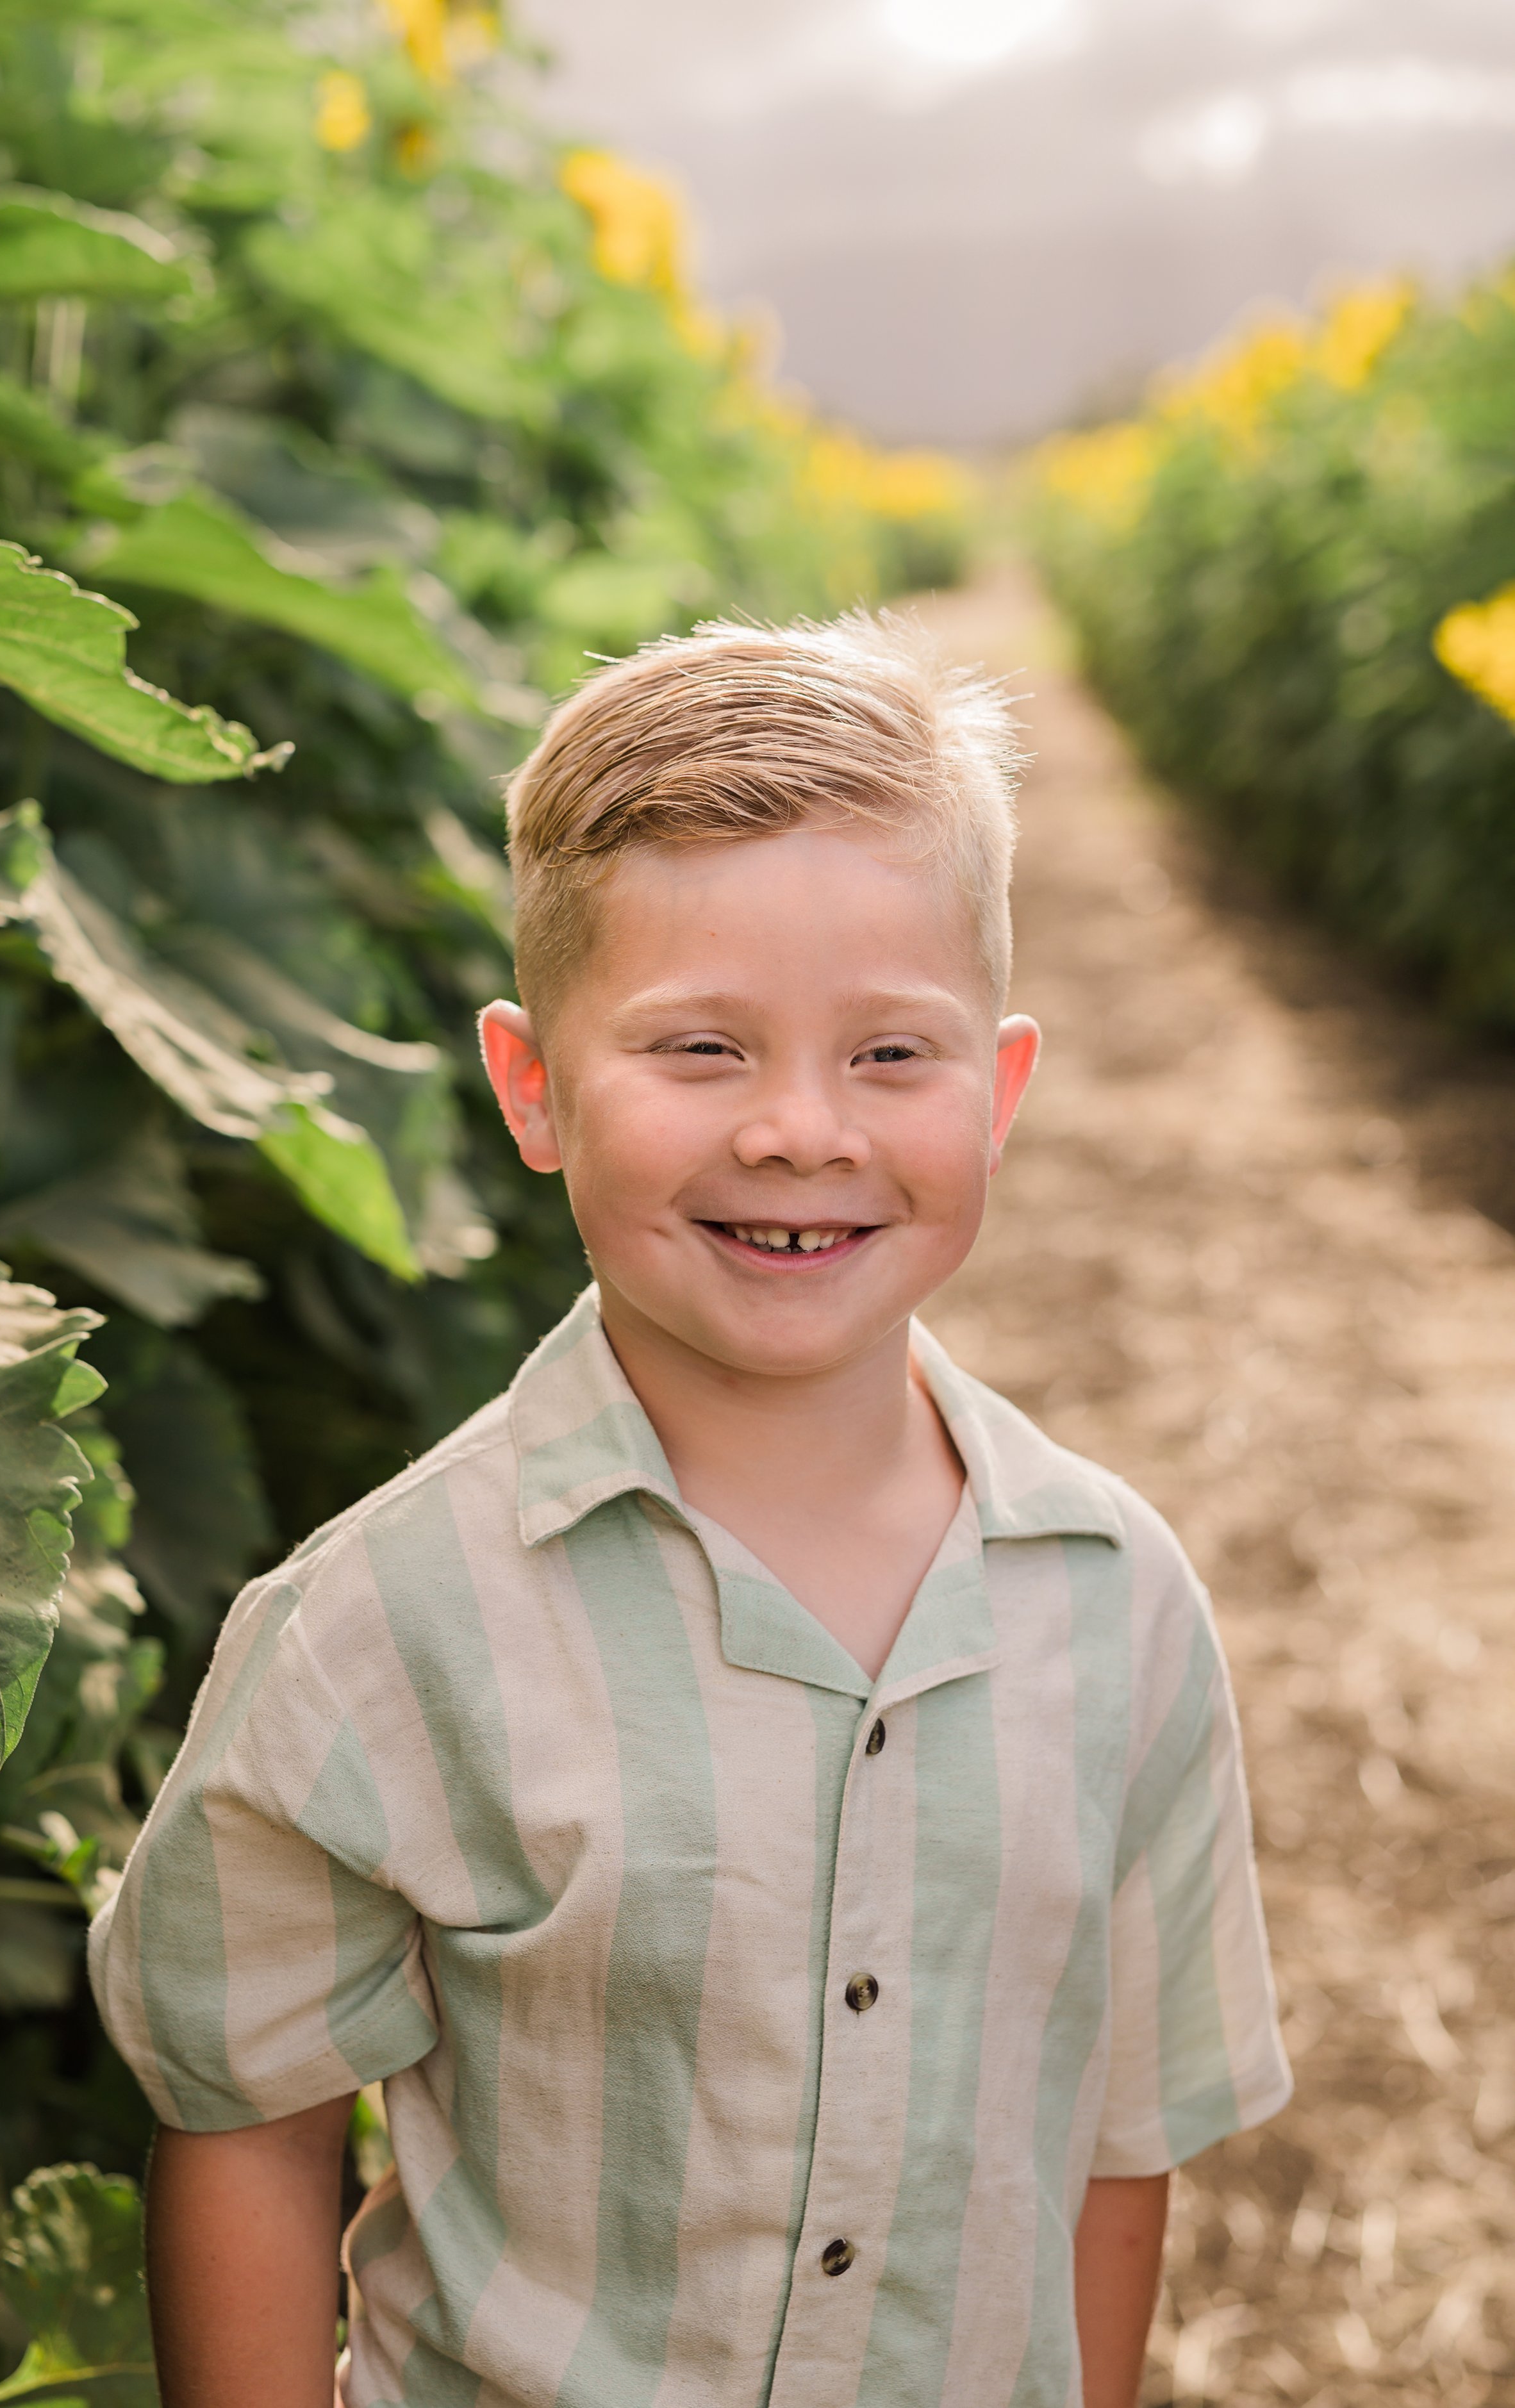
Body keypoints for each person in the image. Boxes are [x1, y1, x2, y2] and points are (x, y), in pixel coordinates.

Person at [90, 612, 1291, 2408]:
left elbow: (1113, 2143)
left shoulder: (1114, 1604)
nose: (800, 1130)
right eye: (699, 1050)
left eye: (892, 1055)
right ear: (531, 1088)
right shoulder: (385, 1628)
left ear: (1002, 1089)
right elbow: (248, 2119)